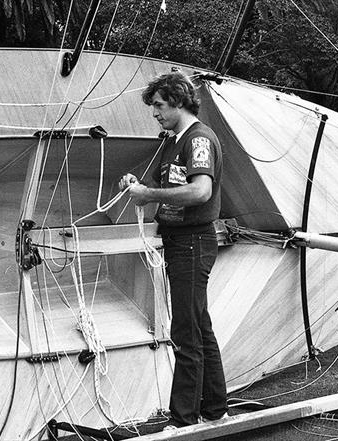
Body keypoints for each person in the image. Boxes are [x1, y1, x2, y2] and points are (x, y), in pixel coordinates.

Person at [119, 72, 227, 427]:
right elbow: (159, 182)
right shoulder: (172, 142)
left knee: (186, 331)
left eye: (160, 106)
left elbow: (200, 192)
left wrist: (149, 196)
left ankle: (183, 419)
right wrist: (137, 185)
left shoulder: (198, 140)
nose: (155, 113)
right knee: (198, 325)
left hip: (194, 242)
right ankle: (214, 409)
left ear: (179, 101)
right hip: (180, 242)